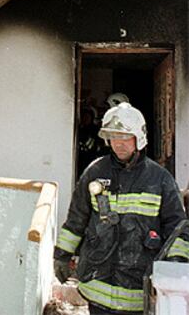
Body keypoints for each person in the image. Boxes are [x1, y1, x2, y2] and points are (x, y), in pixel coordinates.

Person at [54, 102, 189, 315]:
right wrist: (62, 255)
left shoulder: (160, 179)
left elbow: (178, 228)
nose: (119, 144)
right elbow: (77, 218)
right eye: (114, 137)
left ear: (139, 137)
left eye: (125, 137)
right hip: (97, 286)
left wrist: (176, 263)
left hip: (138, 291)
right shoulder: (95, 172)